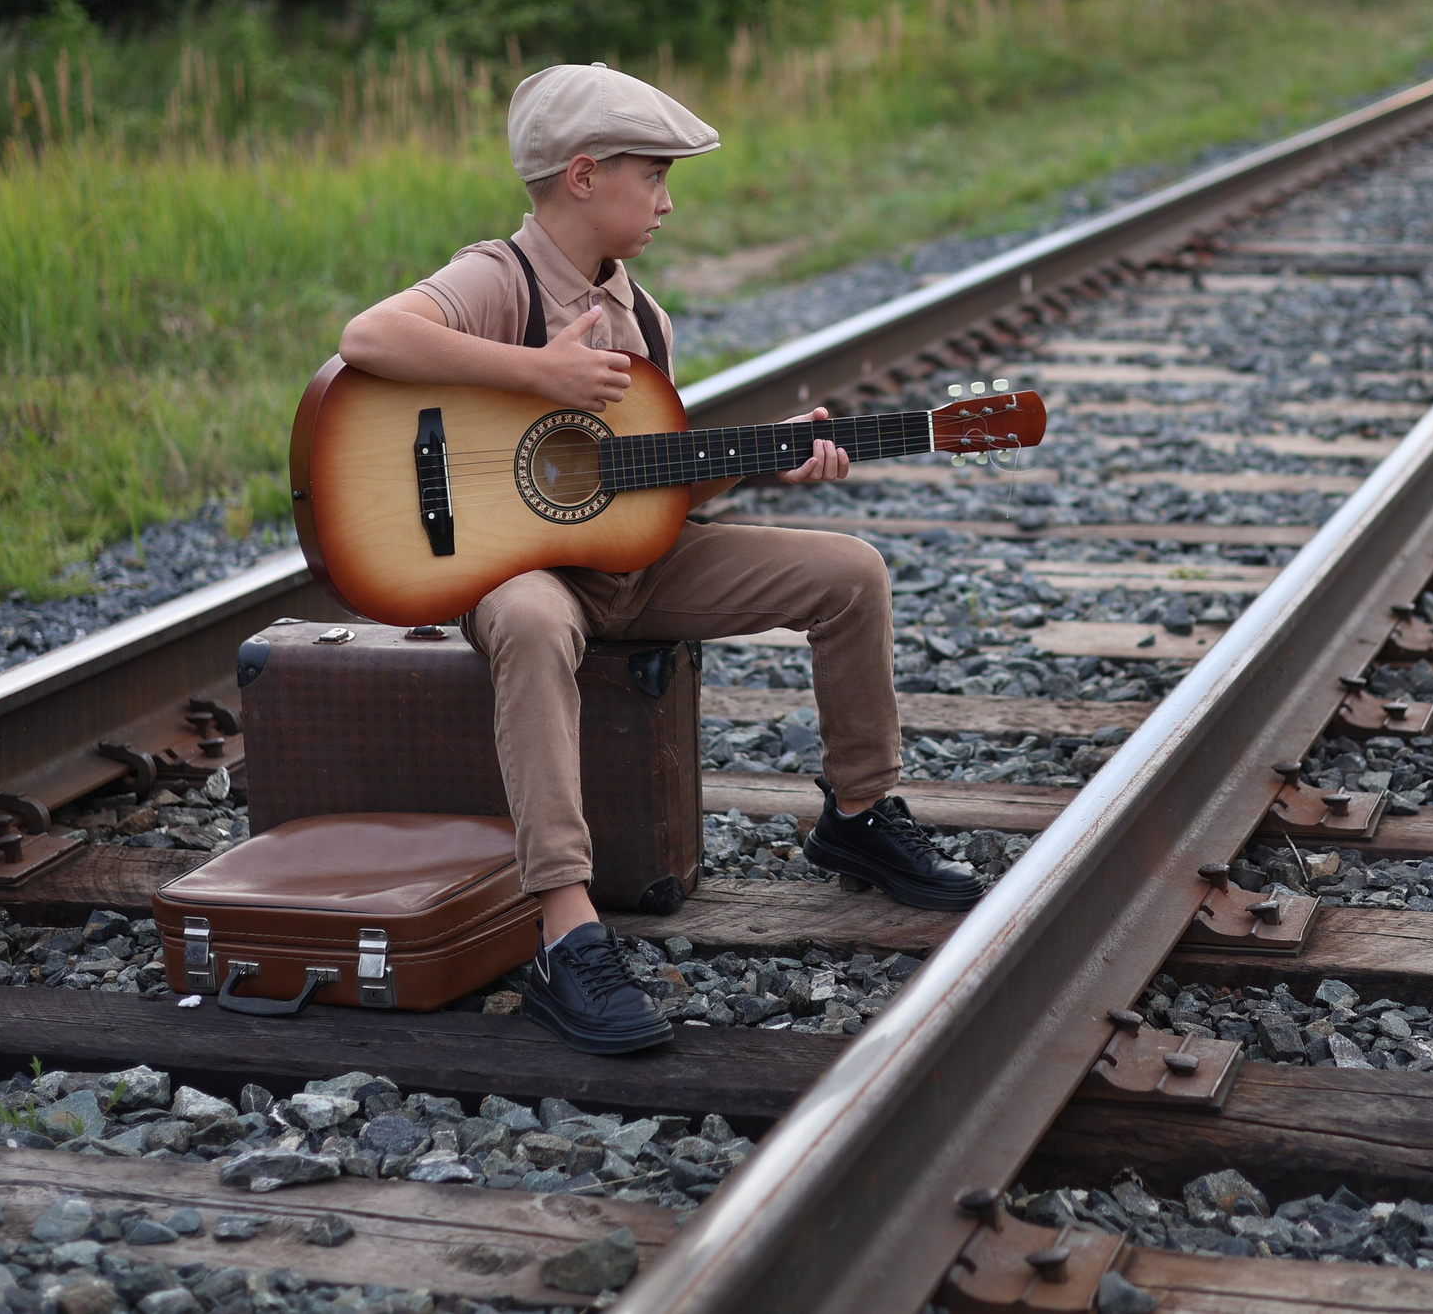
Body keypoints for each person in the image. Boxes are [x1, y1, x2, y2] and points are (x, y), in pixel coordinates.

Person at [337, 62, 982, 1055]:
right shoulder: (495, 280)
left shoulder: (644, 319)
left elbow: (634, 487)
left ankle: (857, 810)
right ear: (584, 176)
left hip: (629, 565)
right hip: (518, 574)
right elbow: (369, 335)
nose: (669, 204)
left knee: (849, 571)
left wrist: (772, 457)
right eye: (655, 179)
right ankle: (566, 927)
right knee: (530, 618)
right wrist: (538, 372)